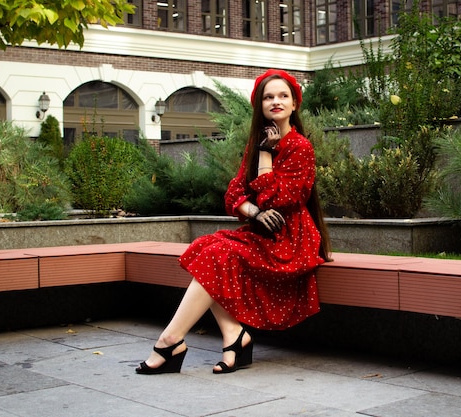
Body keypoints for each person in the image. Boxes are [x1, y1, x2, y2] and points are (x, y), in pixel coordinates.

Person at [136, 69, 332, 375]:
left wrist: (266, 157)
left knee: (215, 256)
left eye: (283, 96)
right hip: (262, 233)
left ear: (295, 104)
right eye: (268, 97)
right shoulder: (256, 143)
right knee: (207, 248)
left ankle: (171, 340)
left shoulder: (300, 147)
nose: (276, 102)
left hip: (290, 240)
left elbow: (279, 201)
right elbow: (234, 195)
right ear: (260, 105)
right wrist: (254, 212)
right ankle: (231, 337)